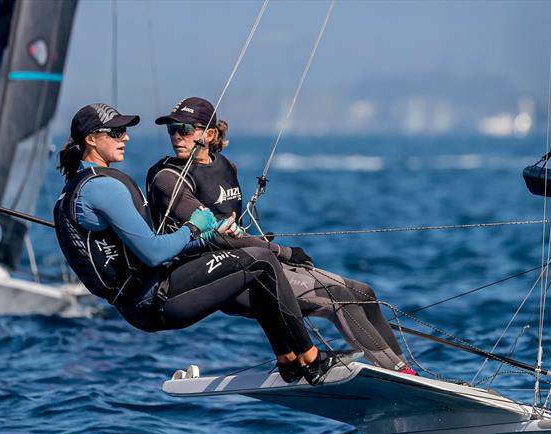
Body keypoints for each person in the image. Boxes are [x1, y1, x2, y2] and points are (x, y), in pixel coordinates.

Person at [53, 102, 342, 385]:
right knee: (262, 261)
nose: (126, 137)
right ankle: (312, 359)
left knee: (253, 264)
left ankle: (288, 361)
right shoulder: (103, 188)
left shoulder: (79, 187)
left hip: (142, 300)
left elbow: (147, 247)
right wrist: (194, 228)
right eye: (116, 133)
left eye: (124, 131)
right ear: (91, 139)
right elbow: (154, 254)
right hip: (154, 300)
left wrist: (204, 239)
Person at [146, 97, 415, 375]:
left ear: (210, 134)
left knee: (362, 292)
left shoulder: (226, 166)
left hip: (253, 260)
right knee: (338, 298)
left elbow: (235, 229)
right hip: (221, 277)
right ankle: (401, 376)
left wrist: (267, 248)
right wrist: (282, 252)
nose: (176, 136)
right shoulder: (169, 179)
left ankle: (401, 369)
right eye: (171, 129)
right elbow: (217, 235)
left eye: (185, 129)